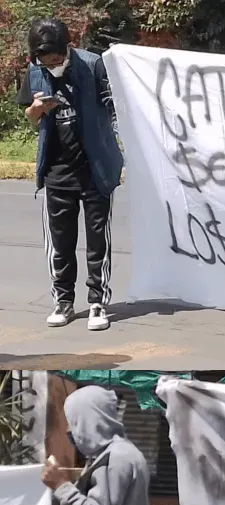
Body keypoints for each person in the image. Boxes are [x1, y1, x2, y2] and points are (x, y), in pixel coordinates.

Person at [16, 18, 123, 331]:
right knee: (60, 245)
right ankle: (63, 300)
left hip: (96, 169)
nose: (52, 66)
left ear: (68, 48)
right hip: (57, 171)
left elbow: (115, 106)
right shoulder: (35, 71)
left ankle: (97, 303)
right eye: (45, 61)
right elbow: (29, 115)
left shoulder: (93, 65)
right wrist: (38, 108)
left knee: (97, 243)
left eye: (57, 60)